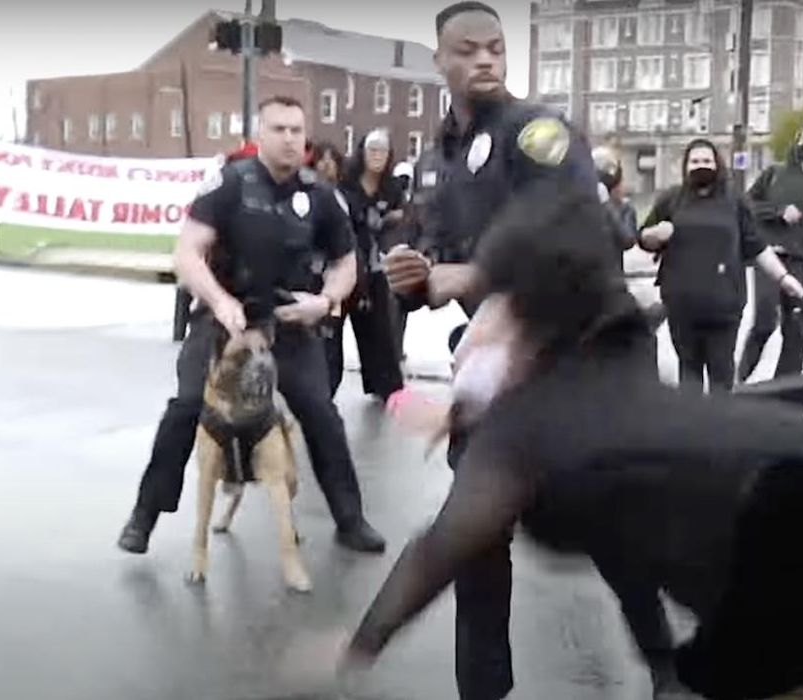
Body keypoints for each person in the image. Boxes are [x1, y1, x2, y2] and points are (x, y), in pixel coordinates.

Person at [340, 188, 803, 700]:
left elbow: (443, 546)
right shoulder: (615, 354)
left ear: (529, 320)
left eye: (494, 312)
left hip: (783, 537)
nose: (479, 330)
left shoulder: (530, 430)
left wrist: (356, 646)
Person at [378, 4, 673, 699]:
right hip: (492, 374)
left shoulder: (536, 134)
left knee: (607, 524)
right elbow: (444, 263)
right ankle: (483, 689)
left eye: (495, 48)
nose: (484, 60)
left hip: (570, 359)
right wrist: (416, 277)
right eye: (467, 50)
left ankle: (667, 665)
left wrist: (470, 276)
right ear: (439, 62)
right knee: (476, 542)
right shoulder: (436, 159)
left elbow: (580, 237)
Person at [115, 96, 387, 555]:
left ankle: (350, 518)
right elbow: (187, 252)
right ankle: (145, 516)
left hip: (290, 322)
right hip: (228, 322)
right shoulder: (229, 184)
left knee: (320, 412)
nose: (288, 139)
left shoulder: (320, 195)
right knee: (185, 407)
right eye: (278, 129)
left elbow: (347, 263)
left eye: (296, 130)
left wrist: (324, 302)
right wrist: (220, 302)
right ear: (259, 134)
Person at [638, 138, 803, 394]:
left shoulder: (735, 202)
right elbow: (644, 239)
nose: (700, 166)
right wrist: (655, 235)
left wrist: (784, 278)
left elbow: (757, 246)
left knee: (721, 377)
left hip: (724, 306)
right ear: (685, 166)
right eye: (695, 161)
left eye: (706, 160)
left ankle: (721, 430)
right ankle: (692, 432)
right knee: (689, 377)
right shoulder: (671, 200)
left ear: (717, 164)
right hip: (682, 305)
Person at [739, 126, 803, 381]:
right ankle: (737, 382)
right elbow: (748, 205)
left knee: (796, 328)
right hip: (769, 257)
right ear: (796, 142)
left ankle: (785, 389)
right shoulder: (774, 174)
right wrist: (778, 211)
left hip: (799, 261)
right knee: (765, 321)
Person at [324, 130, 407, 399]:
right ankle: (324, 388)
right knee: (332, 330)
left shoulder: (392, 187)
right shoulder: (346, 184)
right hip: (345, 264)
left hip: (375, 267)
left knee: (380, 331)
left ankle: (386, 388)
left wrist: (396, 219)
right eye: (372, 149)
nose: (377, 156)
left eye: (382, 150)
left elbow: (405, 218)